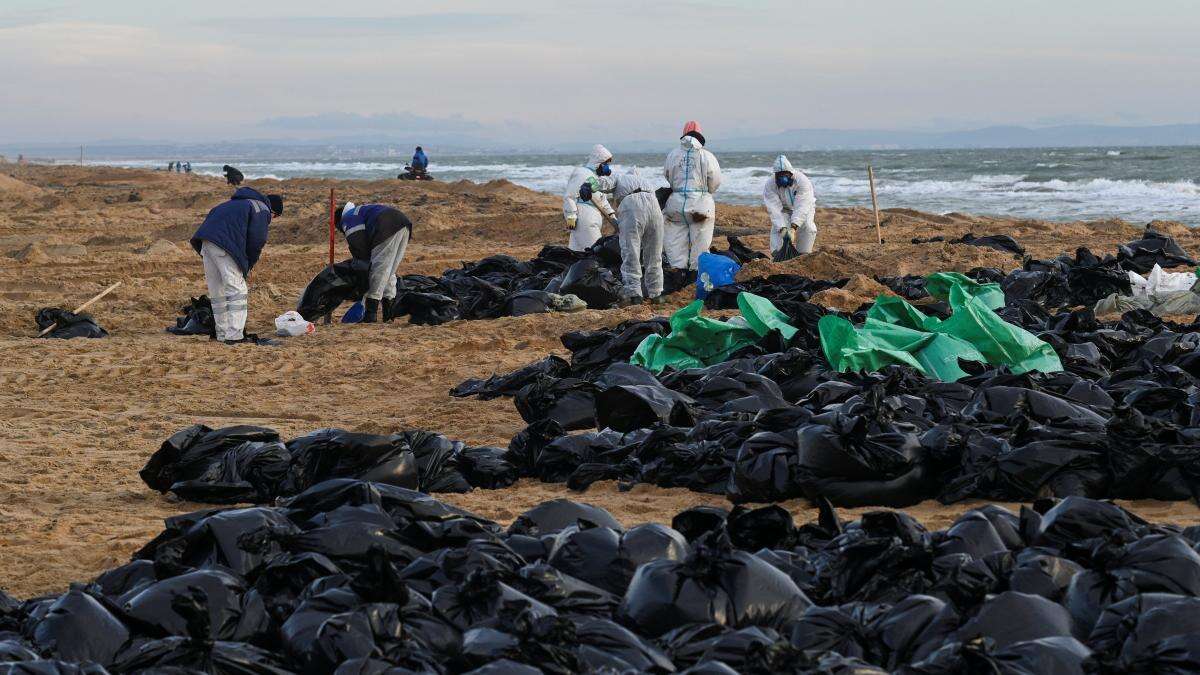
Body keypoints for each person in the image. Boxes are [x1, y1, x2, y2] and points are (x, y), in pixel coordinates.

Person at [189, 187, 283, 343]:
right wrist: (247, 264)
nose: (271, 220)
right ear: (273, 211)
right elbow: (257, 240)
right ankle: (235, 336)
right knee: (237, 289)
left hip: (205, 243)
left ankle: (221, 333)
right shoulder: (261, 209)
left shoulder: (232, 204)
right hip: (223, 245)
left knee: (217, 290)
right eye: (275, 217)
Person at [588, 168, 666, 305]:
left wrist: (588, 184)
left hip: (632, 206)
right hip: (654, 207)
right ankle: (656, 294)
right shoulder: (647, 182)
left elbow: (603, 183)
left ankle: (635, 294)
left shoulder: (620, 177)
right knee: (654, 253)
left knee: (631, 252)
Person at [335, 201, 414, 323]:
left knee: (379, 269)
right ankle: (389, 313)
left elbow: (361, 253)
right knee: (389, 269)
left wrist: (362, 280)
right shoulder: (359, 212)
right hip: (403, 223)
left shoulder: (347, 220)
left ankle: (371, 314)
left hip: (385, 226)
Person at [663, 120, 722, 270]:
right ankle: (696, 274)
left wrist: (679, 188)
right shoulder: (707, 156)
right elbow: (715, 180)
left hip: (675, 204)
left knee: (675, 243)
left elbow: (667, 175)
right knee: (700, 244)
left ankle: (678, 272)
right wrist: (705, 191)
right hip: (700, 206)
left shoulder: (673, 154)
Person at [562, 144, 617, 251]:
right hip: (585, 218)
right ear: (598, 163)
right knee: (595, 251)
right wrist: (571, 216)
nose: (607, 167)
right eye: (605, 163)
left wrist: (613, 218)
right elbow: (570, 196)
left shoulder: (596, 178)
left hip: (593, 216)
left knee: (576, 253)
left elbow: (602, 200)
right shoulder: (582, 173)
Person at [762, 154, 816, 255]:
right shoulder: (770, 184)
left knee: (808, 227)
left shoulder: (802, 181)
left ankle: (803, 254)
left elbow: (802, 206)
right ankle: (777, 254)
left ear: (791, 173)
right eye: (780, 175)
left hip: (805, 207)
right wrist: (782, 228)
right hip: (784, 209)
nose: (783, 178)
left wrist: (793, 227)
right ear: (776, 175)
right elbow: (774, 209)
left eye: (785, 175)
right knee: (777, 230)